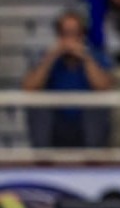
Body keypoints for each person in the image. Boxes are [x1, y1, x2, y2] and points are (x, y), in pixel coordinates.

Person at [21, 10, 114, 149]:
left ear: (82, 35)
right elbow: (28, 87)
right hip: (56, 123)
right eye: (65, 33)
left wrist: (85, 58)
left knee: (97, 110)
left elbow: (104, 86)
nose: (70, 39)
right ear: (58, 35)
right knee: (37, 107)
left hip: (86, 124)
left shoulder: (97, 56)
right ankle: (42, 156)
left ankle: (94, 155)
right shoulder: (46, 57)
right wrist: (51, 58)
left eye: (75, 33)